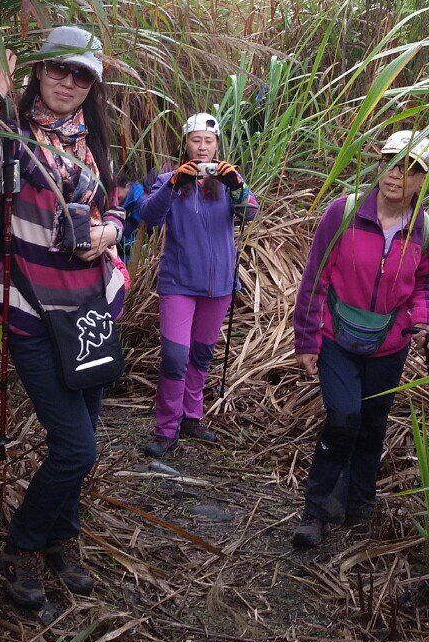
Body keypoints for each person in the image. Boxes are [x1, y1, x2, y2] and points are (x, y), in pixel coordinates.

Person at [0, 26, 126, 609]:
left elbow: (119, 209)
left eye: (82, 75)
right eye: (58, 70)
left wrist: (104, 233)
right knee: (77, 447)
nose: (68, 83)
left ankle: (62, 538)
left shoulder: (95, 142)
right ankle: (22, 546)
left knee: (79, 436)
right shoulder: (12, 138)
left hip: (91, 310)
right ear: (39, 71)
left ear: (92, 85)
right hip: (29, 307)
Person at [292, 130, 429, 548]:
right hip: (336, 338)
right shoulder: (344, 211)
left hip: (389, 344)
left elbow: (424, 285)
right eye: (391, 161)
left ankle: (359, 505)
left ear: (422, 181)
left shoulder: (423, 227)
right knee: (343, 418)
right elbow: (314, 276)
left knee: (372, 425)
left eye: (411, 168)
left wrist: (421, 322)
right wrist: (307, 340)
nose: (397, 174)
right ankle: (315, 511)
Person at [139, 112, 259, 457]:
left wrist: (237, 184)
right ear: (186, 144)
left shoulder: (226, 183)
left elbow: (250, 214)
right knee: (175, 357)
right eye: (196, 140)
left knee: (202, 355)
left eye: (208, 141)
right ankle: (166, 429)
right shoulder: (168, 179)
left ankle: (192, 417)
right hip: (178, 283)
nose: (202, 147)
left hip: (219, 286)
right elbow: (149, 215)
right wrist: (175, 184)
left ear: (217, 146)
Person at [116, 169, 145, 263]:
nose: (115, 199)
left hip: (132, 254)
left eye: (117, 195)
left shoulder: (140, 203)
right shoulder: (118, 202)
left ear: (127, 187)